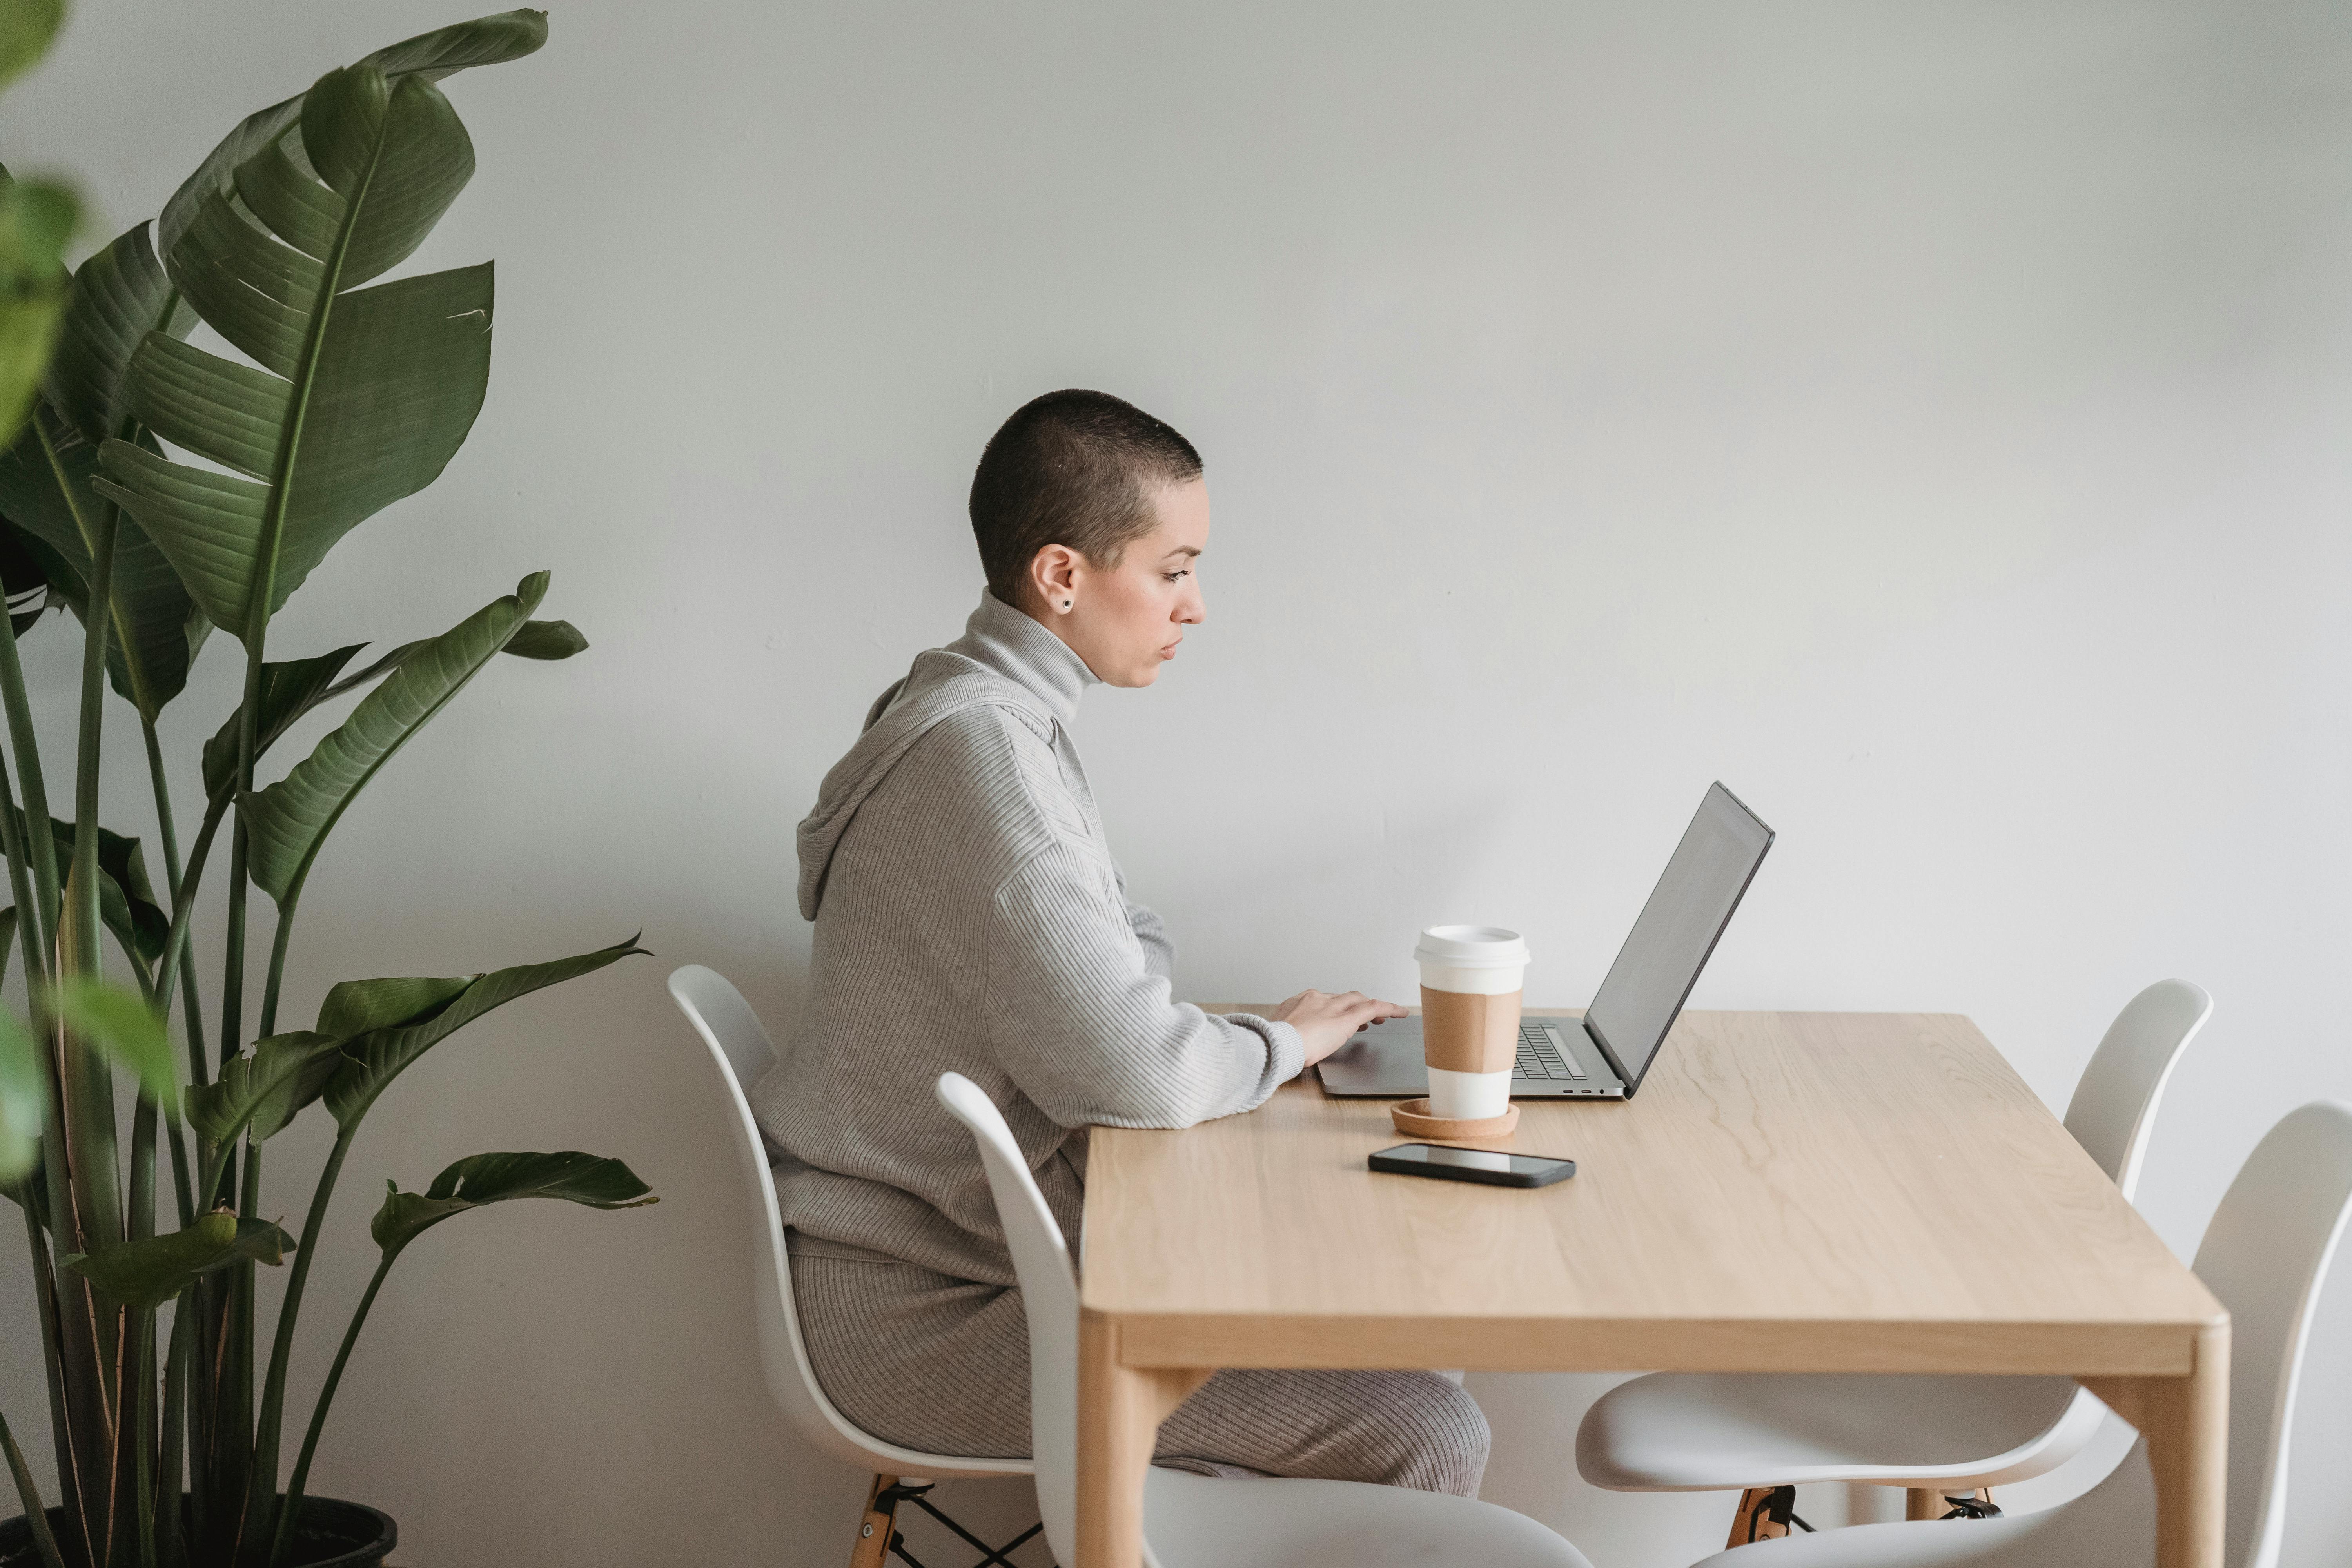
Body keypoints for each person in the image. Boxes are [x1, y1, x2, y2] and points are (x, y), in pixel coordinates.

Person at [752, 388, 1490, 1492]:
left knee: (1413, 1349)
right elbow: (1132, 1063)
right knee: (1427, 1427)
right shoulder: (984, 758)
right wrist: (1272, 1048)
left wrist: (1223, 1034)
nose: (1196, 606)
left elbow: (1123, 948)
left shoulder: (977, 708)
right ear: (1064, 576)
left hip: (965, 1260)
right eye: (1175, 568)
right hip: (925, 1314)